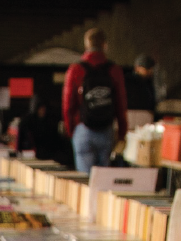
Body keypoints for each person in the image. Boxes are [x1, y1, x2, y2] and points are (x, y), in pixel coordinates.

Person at [62, 28, 128, 174]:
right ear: (105, 45)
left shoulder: (76, 69)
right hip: (106, 129)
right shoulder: (114, 70)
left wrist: (71, 130)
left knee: (85, 182)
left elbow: (68, 104)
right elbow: (121, 103)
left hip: (83, 128)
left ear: (86, 45)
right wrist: (122, 132)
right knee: (102, 180)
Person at [17, 95, 61, 160]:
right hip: (29, 154)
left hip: (47, 154)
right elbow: (21, 139)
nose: (43, 110)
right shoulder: (27, 122)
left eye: (44, 108)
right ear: (36, 109)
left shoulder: (49, 122)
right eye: (40, 108)